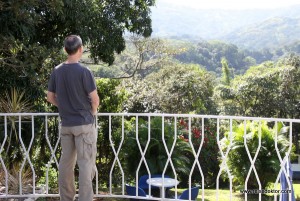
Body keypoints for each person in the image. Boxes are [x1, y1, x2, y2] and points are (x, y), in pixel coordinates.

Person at [47, 35, 99, 201]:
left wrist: (63, 107)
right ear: (80, 49)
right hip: (83, 123)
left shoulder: (57, 70)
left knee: (66, 164)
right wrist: (92, 111)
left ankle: (67, 198)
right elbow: (95, 99)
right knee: (85, 165)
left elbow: (50, 97)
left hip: (66, 124)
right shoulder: (85, 72)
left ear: (65, 50)